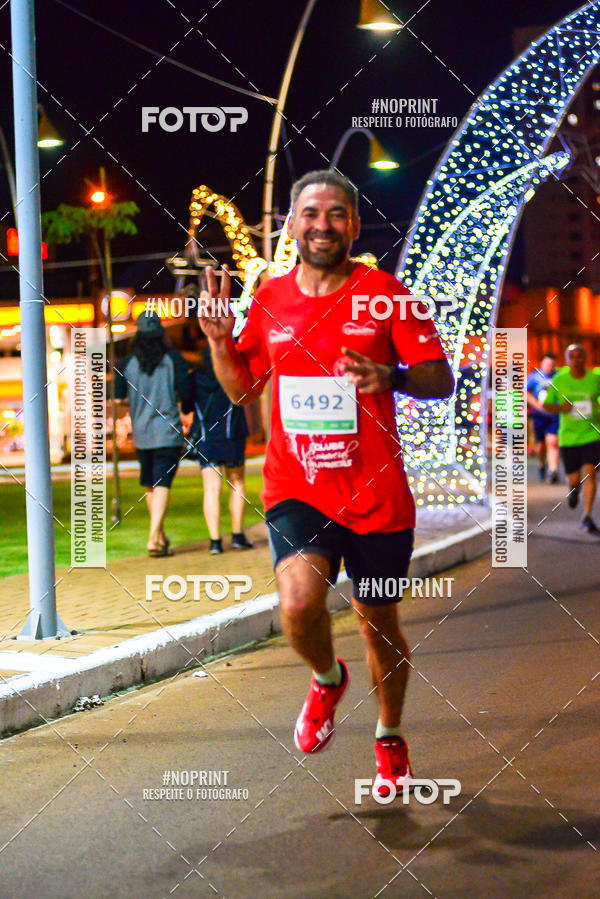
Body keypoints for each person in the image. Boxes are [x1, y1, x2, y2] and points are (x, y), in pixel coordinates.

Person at [198, 170, 454, 796]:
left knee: (379, 625)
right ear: (292, 224)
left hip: (377, 493)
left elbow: (439, 378)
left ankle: (389, 736)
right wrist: (219, 344)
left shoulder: (387, 295)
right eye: (310, 213)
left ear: (354, 226)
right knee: (298, 604)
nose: (322, 225)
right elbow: (244, 392)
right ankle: (327, 676)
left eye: (336, 214)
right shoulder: (269, 299)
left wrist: (391, 376)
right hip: (298, 485)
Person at [114, 310, 190, 555]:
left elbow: (118, 398)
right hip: (168, 432)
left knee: (150, 484)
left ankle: (160, 537)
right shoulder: (173, 360)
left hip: (142, 434)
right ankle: (153, 537)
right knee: (163, 483)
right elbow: (185, 393)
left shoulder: (127, 364)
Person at [184, 345, 253, 554]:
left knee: (211, 489)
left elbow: (186, 406)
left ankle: (215, 541)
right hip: (233, 435)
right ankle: (237, 535)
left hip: (207, 438)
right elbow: (246, 396)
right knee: (237, 483)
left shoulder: (194, 378)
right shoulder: (233, 376)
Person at [543, 344, 600, 534]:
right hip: (568, 437)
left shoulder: (595, 379)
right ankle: (574, 489)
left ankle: (588, 515)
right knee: (575, 479)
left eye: (580, 356)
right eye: (572, 356)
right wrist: (562, 408)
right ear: (567, 359)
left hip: (592, 434)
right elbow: (547, 405)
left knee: (590, 473)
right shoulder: (559, 379)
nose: (576, 360)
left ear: (586, 358)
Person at [526, 353, 560, 482]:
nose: (549, 366)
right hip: (539, 415)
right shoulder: (534, 376)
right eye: (547, 364)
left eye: (552, 364)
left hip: (554, 415)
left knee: (553, 441)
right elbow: (526, 393)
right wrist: (537, 405)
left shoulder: (559, 376)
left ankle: (553, 471)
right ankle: (542, 464)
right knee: (541, 444)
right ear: (542, 363)